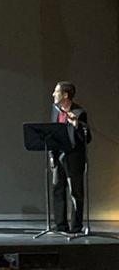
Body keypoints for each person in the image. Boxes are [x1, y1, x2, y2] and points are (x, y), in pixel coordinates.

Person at [50, 81, 90, 234]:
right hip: (58, 156)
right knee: (58, 190)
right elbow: (52, 134)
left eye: (56, 91)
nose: (53, 94)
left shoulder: (80, 112)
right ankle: (60, 225)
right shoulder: (55, 110)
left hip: (74, 159)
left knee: (75, 193)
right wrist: (52, 156)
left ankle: (75, 227)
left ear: (65, 95)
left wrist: (76, 125)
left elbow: (87, 138)